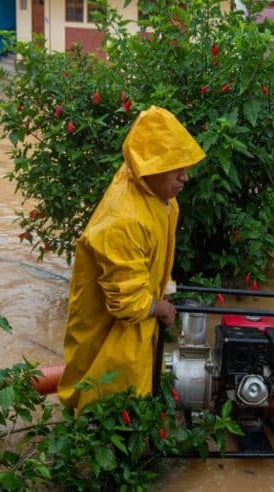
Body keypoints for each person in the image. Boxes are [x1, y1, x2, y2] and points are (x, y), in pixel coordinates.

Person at [58, 106, 206, 411]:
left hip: (138, 319)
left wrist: (163, 289)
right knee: (106, 398)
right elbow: (127, 304)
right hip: (116, 329)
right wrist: (160, 307)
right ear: (149, 166)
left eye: (185, 166)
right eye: (175, 167)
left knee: (132, 390)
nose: (185, 177)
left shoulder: (157, 196)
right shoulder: (124, 218)